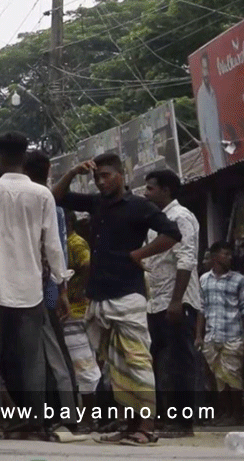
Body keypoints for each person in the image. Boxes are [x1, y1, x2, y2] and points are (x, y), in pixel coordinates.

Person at [53, 153, 181, 446]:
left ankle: (146, 428)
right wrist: (73, 171)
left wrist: (139, 254)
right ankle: (129, 427)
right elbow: (56, 197)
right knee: (116, 367)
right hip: (100, 295)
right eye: (97, 177)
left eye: (107, 175)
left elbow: (172, 233)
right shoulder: (97, 203)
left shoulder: (139, 206)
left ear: (121, 175)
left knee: (136, 362)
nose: (101, 181)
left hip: (128, 294)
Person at [0, 133, 69, 440]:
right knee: (32, 357)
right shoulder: (42, 194)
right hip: (30, 288)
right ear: (24, 158)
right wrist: (62, 286)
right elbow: (53, 245)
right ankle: (35, 422)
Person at [141, 169, 203, 438]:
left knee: (180, 363)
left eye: (151, 188)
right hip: (156, 302)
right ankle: (165, 418)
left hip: (177, 302)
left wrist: (177, 301)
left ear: (166, 190)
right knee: (159, 363)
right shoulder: (156, 221)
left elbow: (186, 259)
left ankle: (182, 422)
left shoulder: (181, 218)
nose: (146, 193)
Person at [23, 151, 78, 429]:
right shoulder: (47, 203)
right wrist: (62, 291)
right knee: (52, 351)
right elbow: (60, 251)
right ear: (47, 172)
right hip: (47, 287)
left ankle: (63, 414)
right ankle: (62, 413)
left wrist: (59, 292)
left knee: (47, 352)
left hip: (34, 288)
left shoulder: (32, 202)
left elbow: (58, 251)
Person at [197, 241, 244, 425]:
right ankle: (224, 413)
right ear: (215, 256)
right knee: (218, 378)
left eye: (230, 254)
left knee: (233, 376)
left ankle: (236, 414)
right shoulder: (204, 280)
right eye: (225, 254)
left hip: (233, 335)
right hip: (212, 335)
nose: (229, 257)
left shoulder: (239, 280)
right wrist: (199, 336)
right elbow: (201, 309)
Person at [60, 210, 102, 414]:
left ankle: (90, 415)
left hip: (76, 311)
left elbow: (87, 264)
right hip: (71, 311)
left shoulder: (74, 243)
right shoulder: (63, 243)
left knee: (83, 364)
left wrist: (79, 290)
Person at [196, 52, 226, 171]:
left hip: (221, 140)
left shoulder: (213, 90)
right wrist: (208, 147)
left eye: (207, 68)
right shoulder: (201, 94)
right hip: (211, 144)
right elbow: (202, 127)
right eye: (204, 68)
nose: (206, 72)